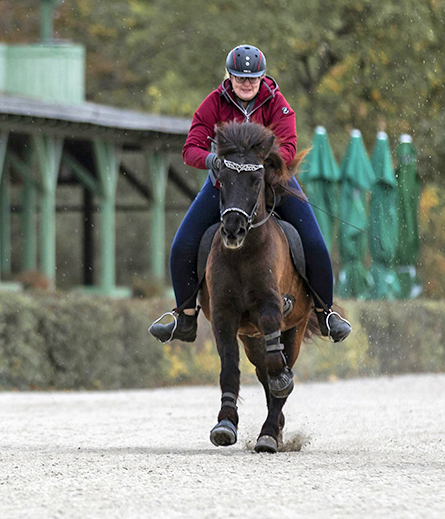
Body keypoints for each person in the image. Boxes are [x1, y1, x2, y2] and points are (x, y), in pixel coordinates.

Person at [149, 44, 352, 344]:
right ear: (229, 76)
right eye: (240, 78)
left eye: (253, 78)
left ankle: (326, 313)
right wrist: (213, 161)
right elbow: (191, 149)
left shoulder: (277, 103)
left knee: (314, 241)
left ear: (262, 78)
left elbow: (289, 147)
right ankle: (185, 317)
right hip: (225, 185)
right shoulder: (213, 103)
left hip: (272, 182)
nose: (247, 83)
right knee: (182, 245)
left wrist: (261, 167)